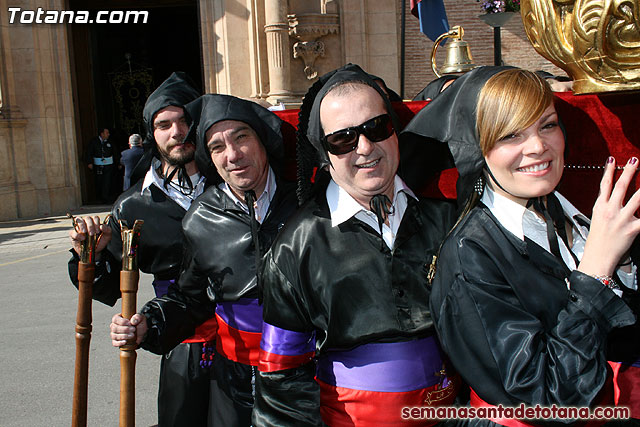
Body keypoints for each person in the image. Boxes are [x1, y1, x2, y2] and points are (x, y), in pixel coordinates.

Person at [402, 66, 640, 425]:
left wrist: (622, 266)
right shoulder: (469, 258)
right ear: (479, 148)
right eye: (511, 135)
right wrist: (595, 271)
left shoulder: (573, 216)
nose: (539, 146)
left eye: (547, 124)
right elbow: (550, 399)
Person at [252, 63, 459, 426]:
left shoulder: (446, 219)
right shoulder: (294, 249)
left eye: (376, 128)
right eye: (343, 139)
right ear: (324, 153)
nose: (365, 147)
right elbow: (281, 380)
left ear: (395, 133)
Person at [109, 94, 298, 426]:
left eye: (241, 138)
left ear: (263, 140)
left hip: (302, 378)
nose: (233, 155)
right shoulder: (200, 218)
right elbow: (191, 297)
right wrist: (149, 323)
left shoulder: (305, 207)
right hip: (231, 384)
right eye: (217, 147)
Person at [69, 72, 217, 427]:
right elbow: (107, 286)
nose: (176, 132)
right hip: (181, 338)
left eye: (184, 121)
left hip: (243, 338)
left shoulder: (228, 182)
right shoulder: (133, 205)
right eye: (164, 124)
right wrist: (89, 255)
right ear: (153, 133)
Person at [86, 127, 117, 203]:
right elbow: (89, 152)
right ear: (102, 134)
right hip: (98, 166)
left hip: (108, 165)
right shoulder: (94, 142)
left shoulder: (110, 142)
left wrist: (118, 162)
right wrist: (89, 162)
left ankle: (106, 197)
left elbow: (115, 152)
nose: (108, 134)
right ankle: (99, 198)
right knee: (99, 181)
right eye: (107, 133)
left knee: (108, 181)